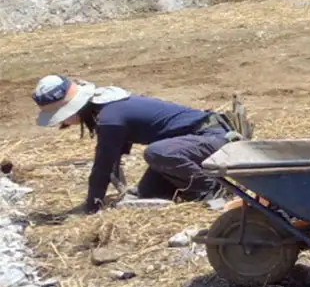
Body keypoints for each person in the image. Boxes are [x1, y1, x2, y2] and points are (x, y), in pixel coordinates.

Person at [32, 75, 232, 214]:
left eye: (61, 116)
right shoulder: (105, 110)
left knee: (155, 152)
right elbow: (112, 160)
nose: (62, 122)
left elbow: (102, 166)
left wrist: (92, 206)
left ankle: (211, 188)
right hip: (192, 144)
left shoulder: (110, 117)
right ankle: (196, 188)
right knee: (148, 193)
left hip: (212, 137)